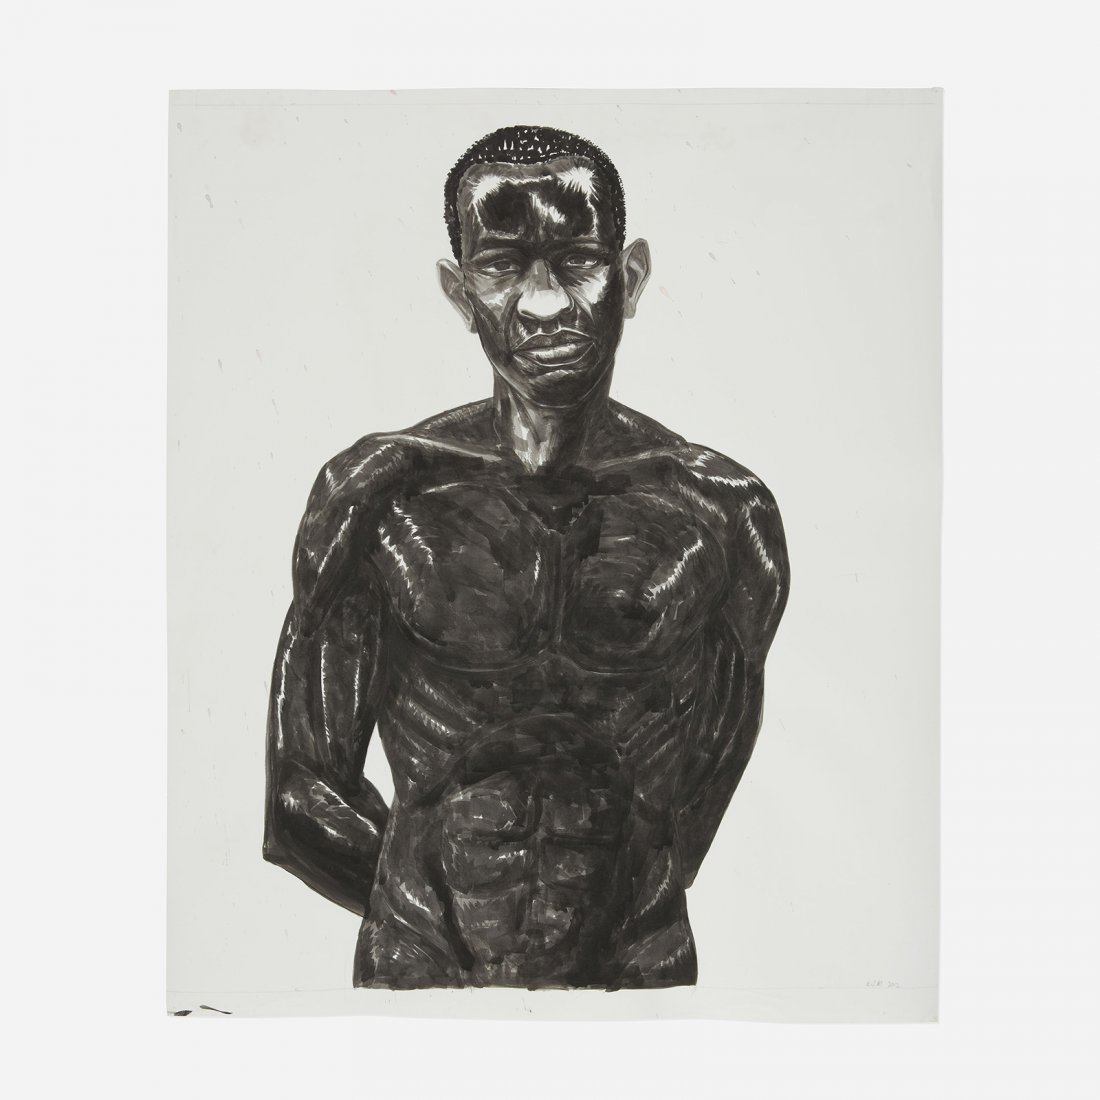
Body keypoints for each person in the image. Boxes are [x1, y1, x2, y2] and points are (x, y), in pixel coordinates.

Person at [263, 125, 790, 990]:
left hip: (635, 972)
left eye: (577, 261)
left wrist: (611, 910)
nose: (544, 305)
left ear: (631, 277)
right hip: (424, 973)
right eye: (502, 267)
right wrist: (429, 918)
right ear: (460, 291)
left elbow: (703, 789)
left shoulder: (722, 513)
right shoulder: (380, 496)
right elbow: (300, 798)